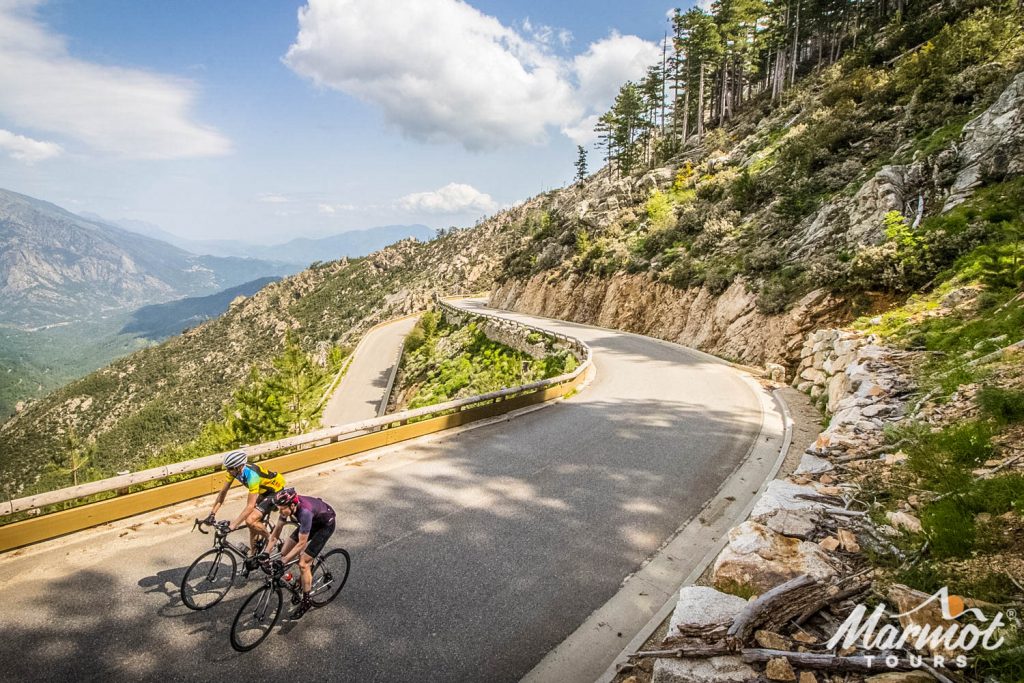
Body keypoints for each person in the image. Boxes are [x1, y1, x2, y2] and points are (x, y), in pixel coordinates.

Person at [205, 449, 285, 570]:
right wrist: (212, 513)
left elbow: (250, 506)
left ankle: (273, 542)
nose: (228, 471)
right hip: (263, 491)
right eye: (227, 468)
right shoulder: (233, 471)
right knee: (252, 526)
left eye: (230, 468)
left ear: (239, 467)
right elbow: (223, 492)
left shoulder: (252, 475)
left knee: (250, 520)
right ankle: (253, 556)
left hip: (275, 491)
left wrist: (233, 525)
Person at [267, 487, 336, 619]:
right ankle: (297, 582)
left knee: (303, 563)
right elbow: (276, 533)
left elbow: (302, 543)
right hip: (311, 522)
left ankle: (306, 601)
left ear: (292, 505)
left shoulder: (304, 512)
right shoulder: (288, 508)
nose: (280, 512)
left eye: (282, 509)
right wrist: (266, 553)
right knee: (284, 551)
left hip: (325, 525)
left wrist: (284, 561)